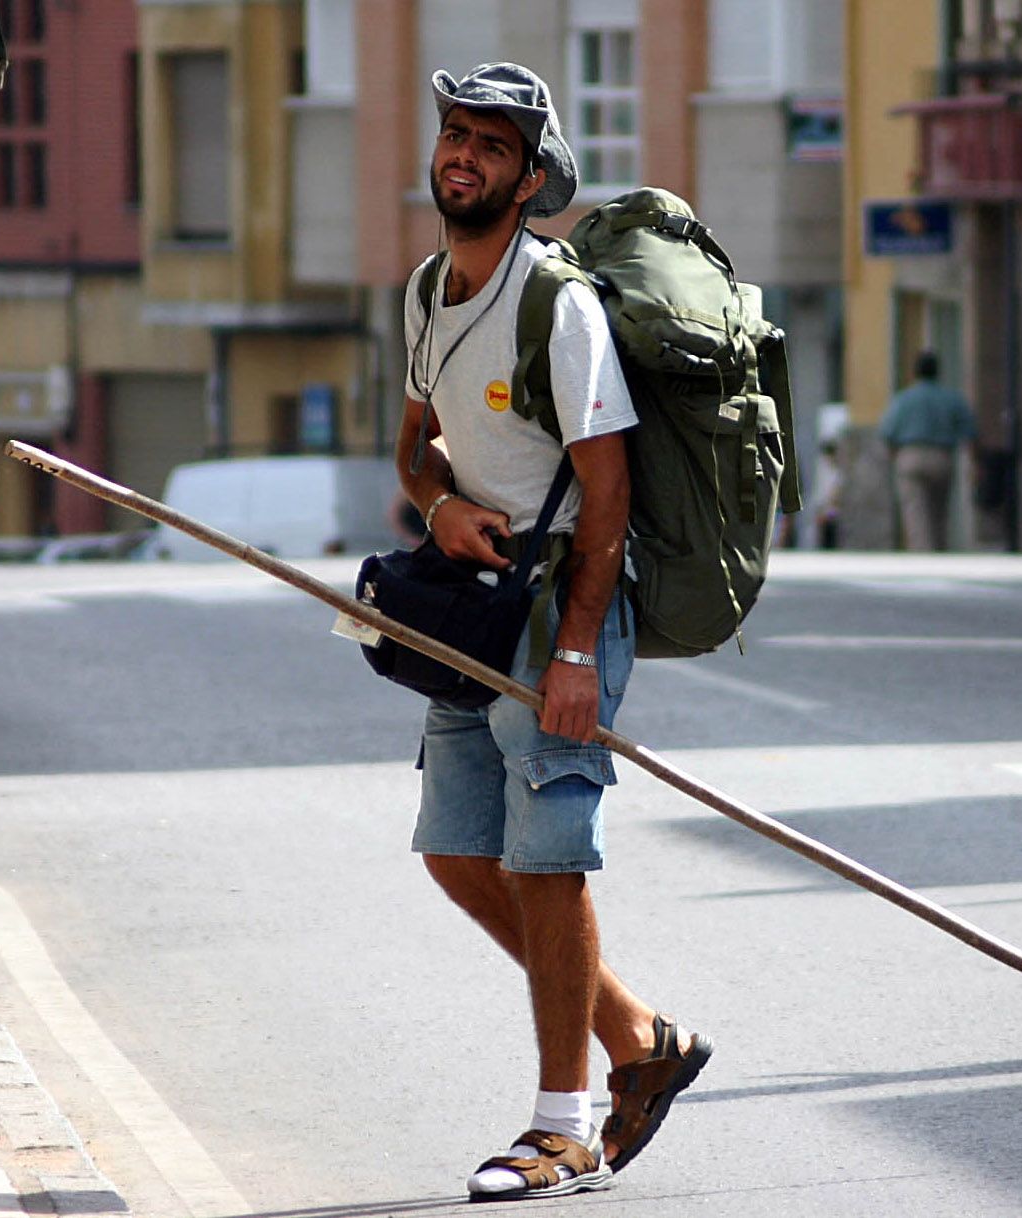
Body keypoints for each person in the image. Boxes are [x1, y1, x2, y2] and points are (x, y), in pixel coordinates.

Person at [394, 62, 711, 1202]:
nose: (461, 155)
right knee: (455, 850)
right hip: (466, 609)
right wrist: (441, 506)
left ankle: (563, 1125)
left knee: (547, 858)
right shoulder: (428, 291)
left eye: (489, 143)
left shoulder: (557, 307)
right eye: (453, 134)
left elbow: (608, 494)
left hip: (557, 612)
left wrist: (577, 653)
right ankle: (639, 1036)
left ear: (530, 179)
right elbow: (414, 445)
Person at [879, 351, 976, 551]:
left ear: (915, 373)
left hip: (910, 455)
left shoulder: (904, 399)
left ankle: (923, 551)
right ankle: (940, 548)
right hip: (942, 456)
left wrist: (894, 458)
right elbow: (969, 431)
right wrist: (973, 461)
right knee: (939, 508)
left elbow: (887, 432)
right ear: (938, 372)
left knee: (915, 511)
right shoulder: (952, 398)